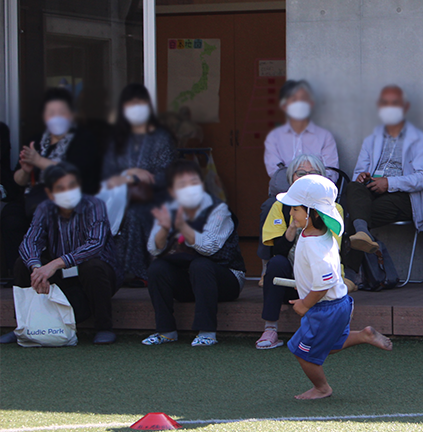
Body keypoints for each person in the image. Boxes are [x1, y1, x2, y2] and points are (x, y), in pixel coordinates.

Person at [276, 174, 392, 400]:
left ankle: (322, 388)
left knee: (302, 352)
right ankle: (363, 335)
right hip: (337, 304)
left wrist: (304, 303)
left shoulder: (314, 246)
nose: (291, 213)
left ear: (313, 213)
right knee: (327, 344)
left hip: (324, 308)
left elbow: (325, 281)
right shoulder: (320, 234)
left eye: (295, 209)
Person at [0, 163, 121, 345]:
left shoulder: (95, 205)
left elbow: (95, 244)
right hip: (61, 276)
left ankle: (104, 327)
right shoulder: (44, 208)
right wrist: (37, 268)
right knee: (22, 264)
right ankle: (23, 326)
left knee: (92, 266)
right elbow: (29, 241)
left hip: (97, 274)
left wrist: (55, 264)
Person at [142, 159, 245, 347]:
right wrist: (165, 228)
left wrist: (182, 226)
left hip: (226, 278)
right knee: (157, 268)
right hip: (188, 281)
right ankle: (166, 331)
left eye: (194, 182)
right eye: (182, 185)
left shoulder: (218, 209)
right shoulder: (168, 209)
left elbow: (209, 247)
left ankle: (207, 332)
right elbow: (153, 248)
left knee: (200, 265)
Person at [2, 89, 102, 280]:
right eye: (51, 113)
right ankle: (23, 273)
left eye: (61, 112)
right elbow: (19, 180)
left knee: (42, 211)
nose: (56, 117)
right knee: (10, 216)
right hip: (32, 195)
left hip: (67, 198)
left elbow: (76, 172)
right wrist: (26, 169)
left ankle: (53, 268)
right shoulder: (37, 140)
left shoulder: (83, 139)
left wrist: (39, 161)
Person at [257, 153, 342, 349]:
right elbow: (275, 251)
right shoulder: (280, 206)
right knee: (277, 263)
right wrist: (293, 225)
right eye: (300, 173)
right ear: (291, 179)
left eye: (313, 173)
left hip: (320, 279)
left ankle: (323, 332)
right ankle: (270, 328)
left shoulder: (333, 208)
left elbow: (332, 251)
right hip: (289, 280)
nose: (306, 177)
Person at [344, 85, 423, 260]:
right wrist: (362, 176)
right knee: (354, 187)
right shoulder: (371, 139)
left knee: (354, 214)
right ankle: (362, 235)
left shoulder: (421, 139)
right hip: (371, 191)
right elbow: (358, 172)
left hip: (404, 196)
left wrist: (389, 183)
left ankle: (351, 273)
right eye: (385, 103)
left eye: (395, 103)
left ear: (406, 107)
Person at [101, 84, 176, 280]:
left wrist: (139, 178)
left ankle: (133, 272)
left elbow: (167, 174)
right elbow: (106, 173)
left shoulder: (161, 137)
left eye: (140, 103)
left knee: (135, 213)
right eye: (131, 104)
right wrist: (131, 175)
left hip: (154, 195)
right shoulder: (115, 138)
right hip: (116, 196)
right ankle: (109, 269)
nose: (136, 108)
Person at [263, 79, 339, 191]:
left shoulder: (325, 137)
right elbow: (275, 173)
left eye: (303, 99)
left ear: (311, 104)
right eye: (294, 100)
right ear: (284, 105)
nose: (299, 104)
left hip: (317, 194)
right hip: (284, 192)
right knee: (268, 207)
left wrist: (310, 188)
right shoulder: (274, 137)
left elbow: (332, 173)